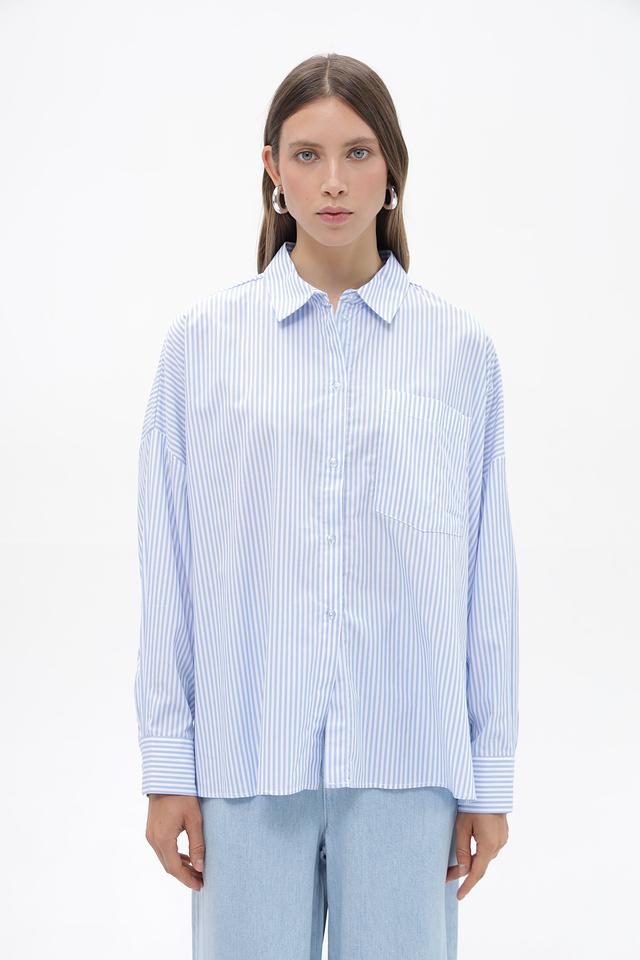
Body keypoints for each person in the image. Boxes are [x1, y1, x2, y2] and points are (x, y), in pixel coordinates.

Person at [134, 52, 519, 960]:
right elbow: (169, 566)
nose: (334, 182)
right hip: (244, 760)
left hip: (409, 763)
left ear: (392, 168)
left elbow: (487, 578)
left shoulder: (458, 353)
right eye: (307, 155)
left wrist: (489, 776)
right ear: (272, 169)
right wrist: (167, 764)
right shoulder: (203, 347)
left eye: (357, 152)